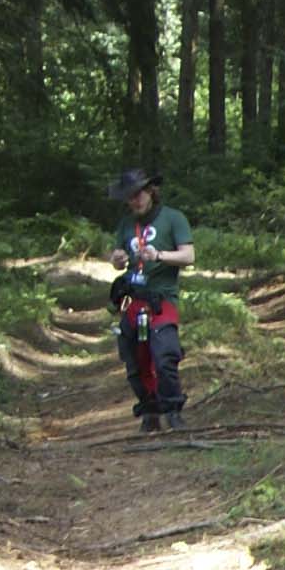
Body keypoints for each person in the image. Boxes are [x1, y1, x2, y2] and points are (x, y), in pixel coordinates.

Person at [109, 167, 197, 432]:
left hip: (162, 299)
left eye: (138, 195)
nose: (134, 201)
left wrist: (160, 256)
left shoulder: (173, 219)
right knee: (136, 360)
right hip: (134, 300)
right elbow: (117, 257)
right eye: (129, 197)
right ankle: (149, 411)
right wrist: (117, 259)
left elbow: (189, 256)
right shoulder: (126, 224)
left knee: (165, 355)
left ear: (150, 192)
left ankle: (172, 410)